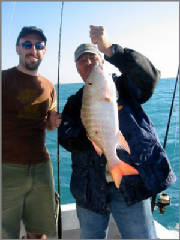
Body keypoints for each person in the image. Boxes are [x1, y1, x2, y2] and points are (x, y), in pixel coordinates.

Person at [59, 25, 176, 239]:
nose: (88, 63)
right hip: (89, 191)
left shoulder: (122, 86)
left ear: (101, 60)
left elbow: (148, 77)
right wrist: (91, 137)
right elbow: (66, 138)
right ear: (77, 68)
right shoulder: (74, 102)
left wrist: (110, 49)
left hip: (130, 188)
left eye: (92, 58)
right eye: (82, 60)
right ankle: (116, 165)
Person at [2, 26, 61, 239]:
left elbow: (49, 123)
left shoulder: (49, 86)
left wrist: (52, 122)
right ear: (17, 48)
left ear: (44, 51)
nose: (32, 50)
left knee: (39, 232)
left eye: (39, 46)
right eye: (27, 44)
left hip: (41, 167)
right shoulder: (4, 79)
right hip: (6, 169)